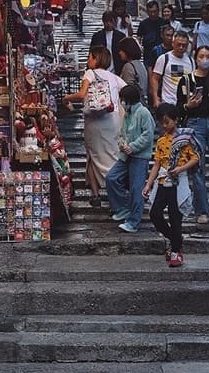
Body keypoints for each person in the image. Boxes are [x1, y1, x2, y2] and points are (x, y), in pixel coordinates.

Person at [62, 47, 125, 206]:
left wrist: (66, 98)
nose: (87, 60)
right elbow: (128, 91)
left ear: (96, 59)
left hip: (95, 121)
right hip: (113, 120)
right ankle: (107, 192)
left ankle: (100, 193)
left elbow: (82, 94)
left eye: (90, 57)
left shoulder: (90, 73)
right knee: (111, 155)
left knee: (92, 154)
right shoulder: (114, 77)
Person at [177, 45, 209, 223]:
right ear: (195, 58)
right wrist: (188, 106)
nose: (205, 59)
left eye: (208, 56)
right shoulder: (187, 80)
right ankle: (201, 209)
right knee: (197, 166)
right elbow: (178, 108)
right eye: (201, 56)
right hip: (195, 123)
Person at [143, 104, 201, 267]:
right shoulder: (161, 141)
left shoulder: (185, 138)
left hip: (178, 181)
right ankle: (175, 239)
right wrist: (148, 184)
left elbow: (195, 157)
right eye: (162, 122)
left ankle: (176, 250)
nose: (164, 125)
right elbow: (156, 164)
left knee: (176, 218)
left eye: (167, 122)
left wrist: (181, 168)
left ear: (176, 120)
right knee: (155, 214)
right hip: (162, 181)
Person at [106, 84, 155, 233]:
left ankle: (134, 222)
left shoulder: (143, 113)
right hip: (125, 156)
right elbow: (122, 133)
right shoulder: (128, 114)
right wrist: (122, 144)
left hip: (139, 157)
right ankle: (121, 208)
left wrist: (132, 146)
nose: (122, 102)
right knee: (111, 178)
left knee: (136, 189)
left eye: (123, 99)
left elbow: (148, 135)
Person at [151, 30, 194, 108]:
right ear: (173, 43)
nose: (181, 47)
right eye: (178, 44)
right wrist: (155, 98)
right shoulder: (164, 58)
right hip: (168, 102)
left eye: (184, 45)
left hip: (184, 103)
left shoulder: (191, 61)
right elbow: (155, 78)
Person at [137, 1, 166, 89]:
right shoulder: (143, 23)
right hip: (148, 54)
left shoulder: (163, 22)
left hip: (162, 53)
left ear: (158, 11)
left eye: (155, 11)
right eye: (150, 12)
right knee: (149, 77)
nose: (153, 14)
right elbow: (139, 37)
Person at [115, 36, 148, 103]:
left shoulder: (128, 67)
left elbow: (126, 89)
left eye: (121, 50)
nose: (119, 53)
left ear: (127, 50)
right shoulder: (141, 65)